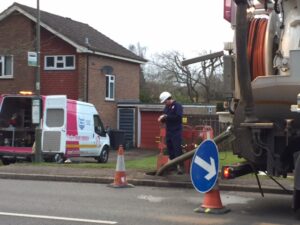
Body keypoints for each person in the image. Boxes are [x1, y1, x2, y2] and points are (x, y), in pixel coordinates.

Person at [158, 91, 184, 174]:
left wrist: (166, 117)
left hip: (176, 131)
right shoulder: (166, 108)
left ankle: (180, 166)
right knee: (170, 148)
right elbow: (166, 117)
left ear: (168, 99)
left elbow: (178, 117)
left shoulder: (177, 106)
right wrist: (162, 119)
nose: (165, 103)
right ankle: (173, 166)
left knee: (177, 149)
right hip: (169, 131)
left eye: (165, 101)